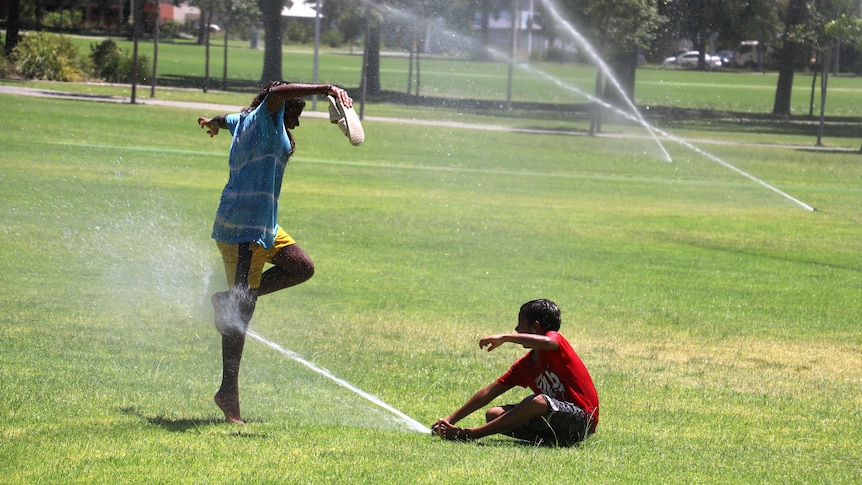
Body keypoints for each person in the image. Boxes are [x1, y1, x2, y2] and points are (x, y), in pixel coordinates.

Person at [198, 81, 354, 424]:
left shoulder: (245, 118)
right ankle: (228, 394)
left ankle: (233, 299)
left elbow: (229, 119)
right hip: (241, 228)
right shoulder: (265, 117)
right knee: (241, 314)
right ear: (282, 107)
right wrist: (327, 88)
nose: (296, 123)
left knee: (301, 267)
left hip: (264, 226)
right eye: (295, 114)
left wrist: (213, 121)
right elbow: (278, 89)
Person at [432, 299, 599, 446]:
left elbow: (548, 342)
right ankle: (550, 441)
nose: (517, 329)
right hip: (554, 424)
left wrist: (505, 338)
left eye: (520, 324)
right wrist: (449, 420)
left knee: (538, 401)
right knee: (493, 414)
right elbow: (489, 392)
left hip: (582, 420)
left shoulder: (556, 342)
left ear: (535, 327)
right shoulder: (526, 365)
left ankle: (470, 435)